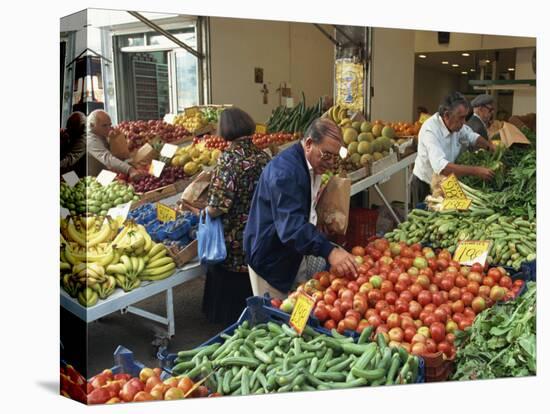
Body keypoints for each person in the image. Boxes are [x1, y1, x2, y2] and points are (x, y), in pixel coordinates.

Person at [244, 118, 359, 300]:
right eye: (327, 155)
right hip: (270, 258)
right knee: (275, 319)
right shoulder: (286, 172)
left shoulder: (311, 165)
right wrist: (329, 251)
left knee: (296, 306)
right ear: (308, 144)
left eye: (335, 157)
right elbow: (291, 227)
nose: (330, 163)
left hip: (290, 252)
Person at [202, 107, 271, 325]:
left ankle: (229, 322)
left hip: (233, 239)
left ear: (225, 130)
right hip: (258, 232)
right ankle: (256, 315)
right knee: (250, 282)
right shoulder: (263, 157)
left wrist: (203, 210)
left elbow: (217, 207)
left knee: (228, 284)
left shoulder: (228, 160)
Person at [412, 92, 496, 202]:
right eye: (461, 118)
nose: (464, 122)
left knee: (446, 214)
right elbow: (442, 167)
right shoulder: (430, 130)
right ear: (446, 115)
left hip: (446, 181)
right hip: (426, 183)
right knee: (423, 216)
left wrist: (489, 147)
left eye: (465, 118)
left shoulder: (456, 125)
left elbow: (471, 136)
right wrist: (476, 171)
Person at [86, 109, 142, 179]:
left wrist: (113, 140)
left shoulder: (100, 134)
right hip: (73, 178)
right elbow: (107, 158)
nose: (109, 128)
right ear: (92, 125)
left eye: (110, 125)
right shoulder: (89, 139)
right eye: (104, 126)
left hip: (93, 177)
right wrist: (130, 169)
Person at [60, 111, 87, 177]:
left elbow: (69, 160)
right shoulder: (74, 131)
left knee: (74, 185)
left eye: (71, 128)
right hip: (72, 170)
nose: (68, 129)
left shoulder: (84, 139)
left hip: (78, 174)